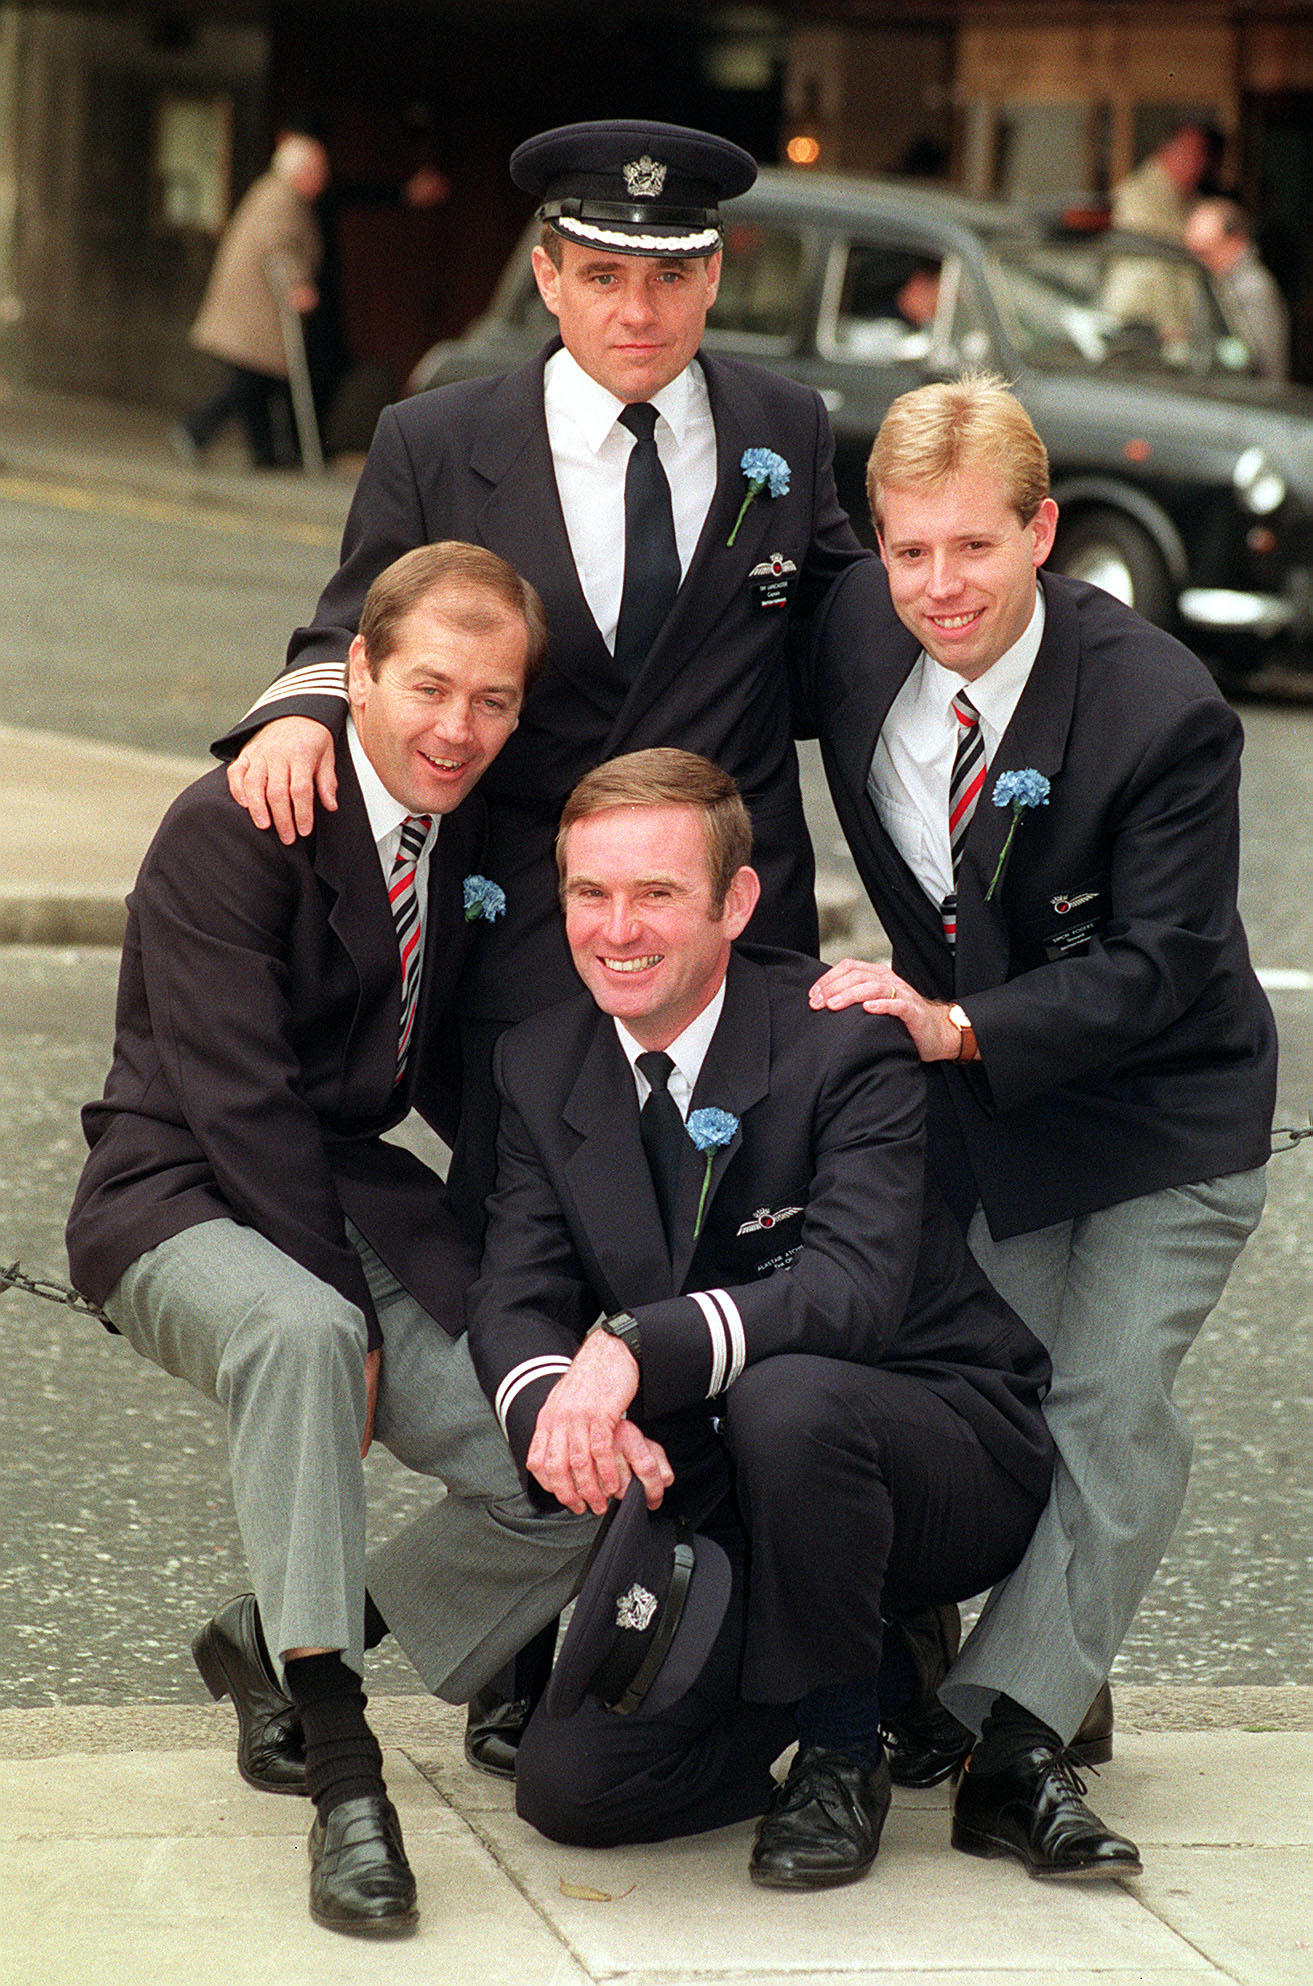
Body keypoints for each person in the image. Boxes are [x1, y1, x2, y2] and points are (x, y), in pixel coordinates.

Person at [64, 543, 597, 1937]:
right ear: (349, 673)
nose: (455, 728)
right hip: (176, 1188)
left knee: (568, 1466)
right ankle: (345, 1768)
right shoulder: (228, 826)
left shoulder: (464, 826)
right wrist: (352, 1320)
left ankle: (275, 1638)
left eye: (492, 701)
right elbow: (238, 1104)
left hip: (354, 1192)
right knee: (303, 1337)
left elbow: (465, 1063)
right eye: (427, 685)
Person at [209, 117, 864, 1233]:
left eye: (666, 276)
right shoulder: (433, 440)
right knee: (527, 1244)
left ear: (712, 276)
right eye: (601, 274)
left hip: (729, 925)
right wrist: (297, 721)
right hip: (523, 926)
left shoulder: (786, 426)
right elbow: (350, 632)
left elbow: (850, 631)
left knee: (741, 1233)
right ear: (547, 277)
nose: (636, 312)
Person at [801, 377, 1276, 1878]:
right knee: (973, 1409)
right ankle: (947, 1672)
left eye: (974, 549)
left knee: (1109, 1407)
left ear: (1043, 535)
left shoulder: (1161, 711)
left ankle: (1014, 1745)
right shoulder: (855, 634)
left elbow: (1167, 965)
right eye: (908, 550)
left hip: (1160, 1109)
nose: (940, 587)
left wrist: (956, 1026)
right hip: (974, 1098)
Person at [459, 747, 1055, 1887]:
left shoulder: (842, 1038)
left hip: (937, 1448)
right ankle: (867, 1668)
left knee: (789, 1398)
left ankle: (842, 1752)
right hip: (730, 1487)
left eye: (655, 893)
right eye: (589, 892)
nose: (615, 928)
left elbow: (852, 1293)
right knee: (572, 1793)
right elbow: (517, 1291)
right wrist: (560, 1410)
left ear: (734, 902)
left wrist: (634, 1348)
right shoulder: (539, 1062)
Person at [173, 134, 330, 468]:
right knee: (252, 380)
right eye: (318, 170)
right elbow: (278, 246)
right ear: (300, 172)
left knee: (258, 382)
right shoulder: (281, 199)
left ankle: (264, 452)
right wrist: (297, 283)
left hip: (254, 306)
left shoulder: (278, 193)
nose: (323, 179)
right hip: (257, 308)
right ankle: (196, 429)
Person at [1105, 119, 1226, 341]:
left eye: (1202, 156)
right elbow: (1158, 265)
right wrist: (1173, 327)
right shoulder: (1139, 195)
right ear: (1166, 151)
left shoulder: (1190, 200)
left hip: (1177, 329)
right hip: (1139, 323)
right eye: (1189, 154)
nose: (1198, 163)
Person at [1184, 196, 1290, 382]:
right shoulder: (1216, 281)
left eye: (1206, 253)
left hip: (1249, 400)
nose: (1202, 263)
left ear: (1236, 242)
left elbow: (1256, 361)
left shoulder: (1254, 287)